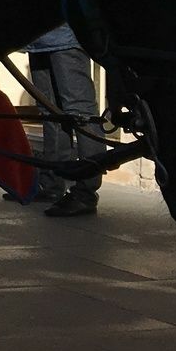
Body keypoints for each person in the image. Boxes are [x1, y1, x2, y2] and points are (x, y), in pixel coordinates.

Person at [25, 22, 104, 217]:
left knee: (80, 112)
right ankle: (52, 182)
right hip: (37, 39)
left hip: (66, 37)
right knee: (50, 111)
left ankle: (86, 191)